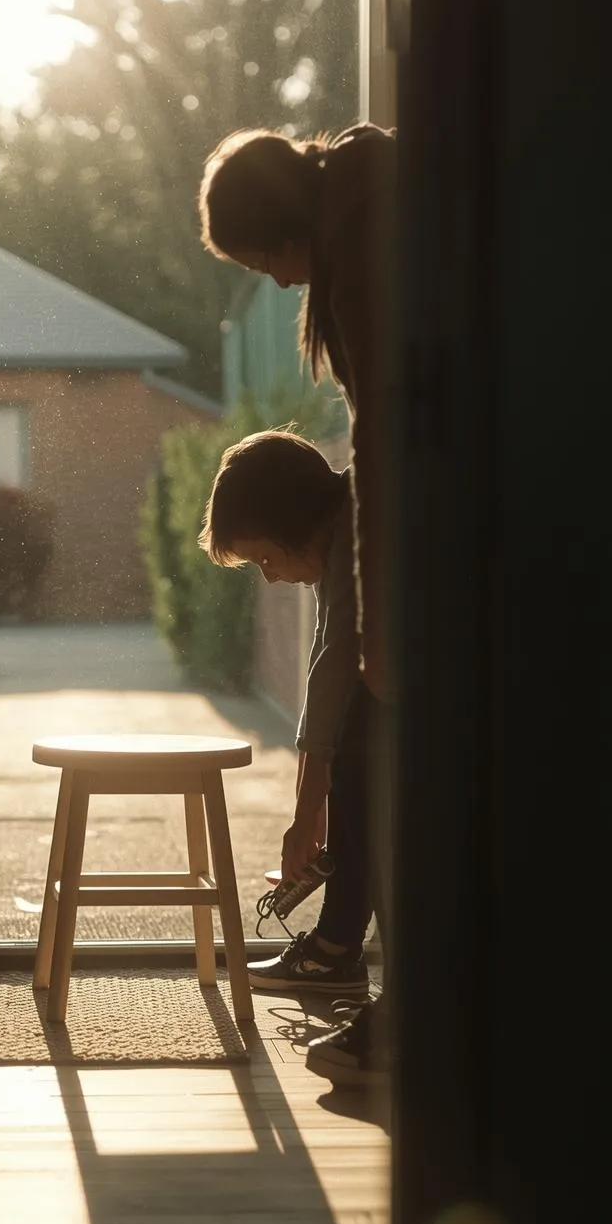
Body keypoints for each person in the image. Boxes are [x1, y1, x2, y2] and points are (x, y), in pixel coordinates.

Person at [198, 122, 396, 1084]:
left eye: (266, 258)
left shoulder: (369, 250)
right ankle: (365, 968)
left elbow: (333, 669)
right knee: (369, 769)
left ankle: (398, 996)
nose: (276, 283)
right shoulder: (366, 223)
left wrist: (308, 808)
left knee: (371, 771)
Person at [199, 428, 377, 1001]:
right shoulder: (347, 521)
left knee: (359, 751)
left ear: (299, 525)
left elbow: (335, 665)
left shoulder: (358, 537)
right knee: (352, 747)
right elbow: (328, 658)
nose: (271, 576)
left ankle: (334, 951)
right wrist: (310, 804)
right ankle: (334, 948)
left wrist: (307, 814)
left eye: (267, 558)